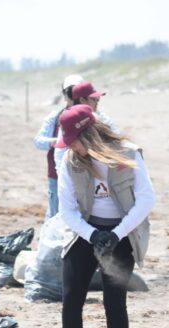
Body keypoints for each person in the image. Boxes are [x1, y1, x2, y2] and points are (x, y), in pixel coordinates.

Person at [49, 105, 155, 328]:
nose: (70, 146)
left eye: (73, 140)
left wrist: (117, 235)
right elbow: (66, 210)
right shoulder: (69, 161)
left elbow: (146, 199)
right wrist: (92, 235)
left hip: (122, 232)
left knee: (115, 302)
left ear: (88, 135)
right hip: (84, 234)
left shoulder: (128, 153)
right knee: (71, 300)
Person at [33, 76, 121, 220]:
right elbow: (40, 142)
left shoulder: (99, 118)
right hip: (59, 176)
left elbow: (117, 138)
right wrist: (60, 142)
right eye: (69, 91)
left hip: (90, 176)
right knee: (55, 215)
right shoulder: (58, 118)